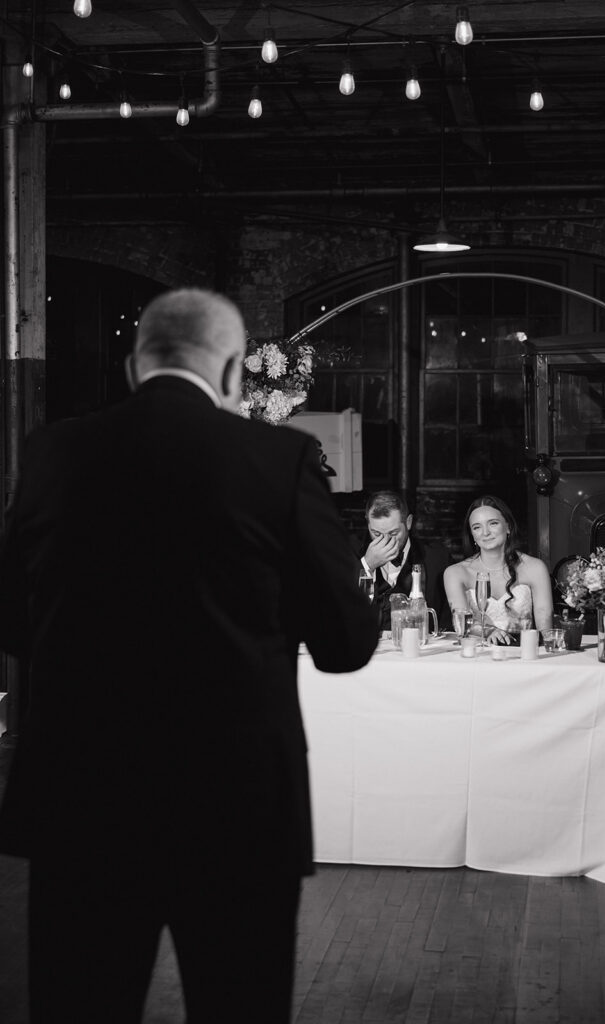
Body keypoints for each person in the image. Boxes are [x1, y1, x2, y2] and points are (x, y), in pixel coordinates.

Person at [0, 288, 378, 1024]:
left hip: (84, 793)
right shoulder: (279, 457)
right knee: (238, 1006)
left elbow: (11, 617)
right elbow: (345, 644)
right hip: (234, 803)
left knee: (79, 1005)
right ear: (236, 370)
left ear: (132, 364)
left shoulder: (54, 452)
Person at [444, 495, 553, 644]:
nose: (485, 532)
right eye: (477, 527)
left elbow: (545, 628)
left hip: (523, 654)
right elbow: (461, 622)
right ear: (472, 535)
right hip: (476, 655)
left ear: (508, 526)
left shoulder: (535, 568)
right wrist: (487, 630)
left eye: (493, 523)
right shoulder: (455, 573)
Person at [357, 490, 451, 633]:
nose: (385, 540)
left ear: (408, 522)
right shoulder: (348, 554)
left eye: (393, 533)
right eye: (376, 534)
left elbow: (449, 619)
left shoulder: (437, 559)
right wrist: (367, 565)